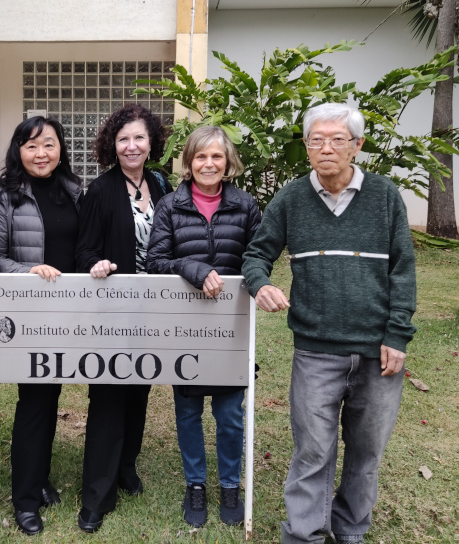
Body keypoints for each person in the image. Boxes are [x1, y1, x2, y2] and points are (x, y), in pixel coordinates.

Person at [241, 102, 416, 544]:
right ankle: (305, 535)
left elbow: (403, 270)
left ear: (357, 146)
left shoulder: (385, 197)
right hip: (316, 349)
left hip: (379, 352)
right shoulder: (292, 198)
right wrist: (259, 284)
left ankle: (350, 531)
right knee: (313, 451)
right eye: (317, 139)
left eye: (338, 139)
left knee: (366, 452)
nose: (327, 148)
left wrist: (397, 334)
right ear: (306, 146)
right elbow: (257, 253)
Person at [146, 126, 261, 528]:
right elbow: (155, 261)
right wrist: (192, 268)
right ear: (188, 162)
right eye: (200, 157)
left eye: (216, 157)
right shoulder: (170, 206)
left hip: (231, 326)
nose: (208, 164)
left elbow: (257, 259)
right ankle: (195, 484)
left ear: (228, 162)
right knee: (189, 411)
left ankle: (230, 484)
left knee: (230, 414)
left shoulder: (246, 206)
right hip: (186, 324)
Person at [75, 103, 171, 533]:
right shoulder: (99, 191)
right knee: (109, 398)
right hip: (113, 310)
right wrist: (95, 265)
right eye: (123, 139)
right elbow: (84, 250)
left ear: (151, 143)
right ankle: (96, 494)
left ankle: (126, 469)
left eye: (139, 138)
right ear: (112, 146)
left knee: (139, 392)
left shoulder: (162, 185)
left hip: (154, 310)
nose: (131, 146)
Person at [0, 116, 82, 536]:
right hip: (31, 312)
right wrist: (30, 271)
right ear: (18, 151)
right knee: (34, 401)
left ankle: (40, 478)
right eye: (31, 146)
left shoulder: (76, 191)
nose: (41, 154)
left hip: (74, 311)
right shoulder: (4, 195)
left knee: (51, 395)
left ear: (60, 148)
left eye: (48, 144)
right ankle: (25, 499)